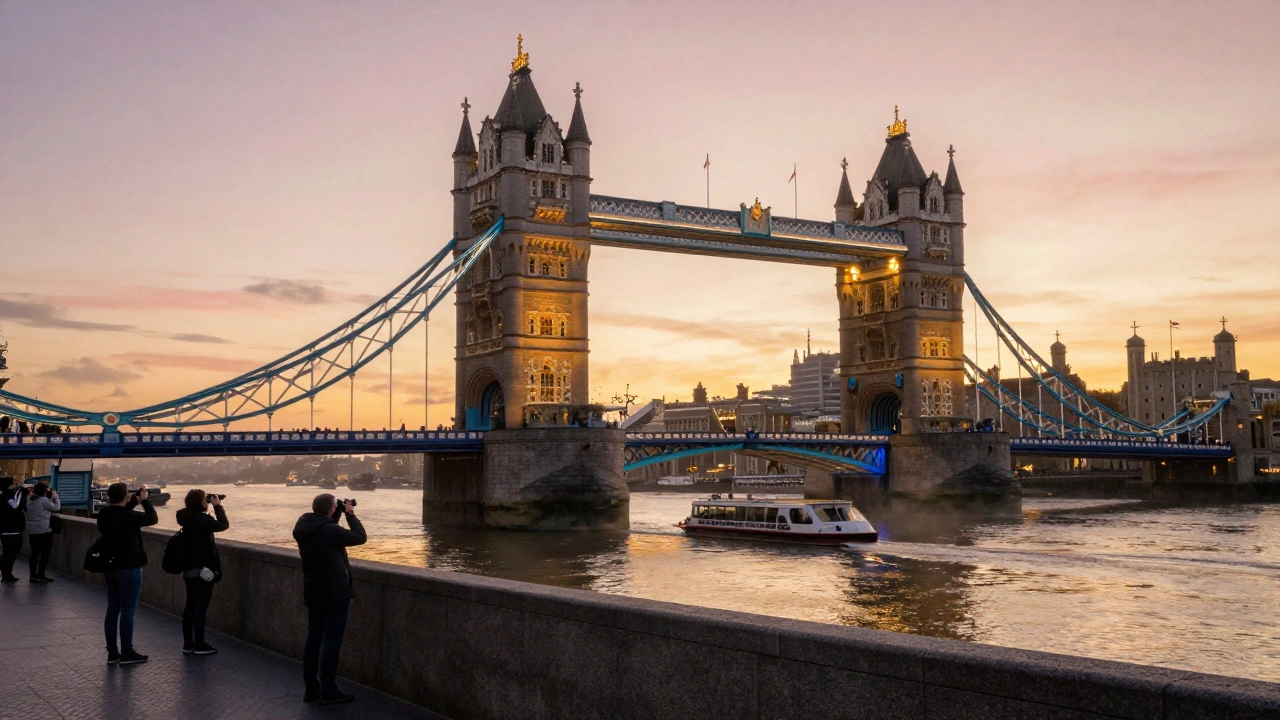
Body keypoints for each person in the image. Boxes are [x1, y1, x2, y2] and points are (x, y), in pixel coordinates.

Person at [293, 493, 366, 705]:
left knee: (313, 640)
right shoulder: (329, 531)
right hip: (335, 593)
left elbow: (327, 528)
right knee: (332, 641)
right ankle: (329, 689)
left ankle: (311, 689)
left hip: (314, 592)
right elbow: (359, 537)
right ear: (333, 510)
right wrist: (350, 514)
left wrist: (337, 512)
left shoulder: (304, 526)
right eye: (337, 508)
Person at [97, 482, 158, 665]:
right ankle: (127, 652)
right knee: (128, 611)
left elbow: (120, 516)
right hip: (130, 567)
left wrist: (130, 502)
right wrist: (145, 501)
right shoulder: (129, 516)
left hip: (110, 566)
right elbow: (152, 519)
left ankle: (112, 653)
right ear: (126, 496)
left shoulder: (103, 514)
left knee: (112, 609)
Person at [175, 489, 228, 656]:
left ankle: (188, 644)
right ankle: (199, 643)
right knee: (201, 607)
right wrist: (217, 506)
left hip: (189, 569)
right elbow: (223, 525)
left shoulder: (185, 519)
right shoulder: (203, 520)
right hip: (204, 570)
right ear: (201, 502)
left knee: (190, 605)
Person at [24, 482, 60, 583]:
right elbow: (56, 508)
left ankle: (33, 575)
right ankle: (41, 575)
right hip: (44, 530)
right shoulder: (43, 500)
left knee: (34, 553)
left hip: (32, 529)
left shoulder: (28, 499)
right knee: (45, 553)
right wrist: (55, 497)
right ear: (44, 491)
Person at [0, 480, 26, 582]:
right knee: (9, 553)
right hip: (9, 531)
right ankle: (6, 573)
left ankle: (7, 572)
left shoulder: (8, 495)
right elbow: (15, 506)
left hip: (13, 530)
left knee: (11, 553)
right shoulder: (4, 497)